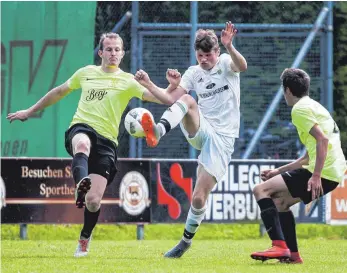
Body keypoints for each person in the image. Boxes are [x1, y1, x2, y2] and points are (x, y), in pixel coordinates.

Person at [6, 32, 176, 257]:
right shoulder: (86, 73)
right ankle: (80, 185)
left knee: (94, 201)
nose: (113, 53)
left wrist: (171, 84)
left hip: (107, 142)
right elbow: (58, 92)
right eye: (109, 49)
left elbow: (165, 99)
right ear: (100, 52)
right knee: (82, 145)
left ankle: (84, 239)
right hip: (82, 127)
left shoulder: (128, 81)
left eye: (117, 49)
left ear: (122, 53)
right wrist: (29, 111)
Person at [134, 22, 247, 258]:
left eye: (208, 55)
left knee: (198, 198)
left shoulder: (226, 62)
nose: (204, 59)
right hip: (201, 128)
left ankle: (185, 242)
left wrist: (230, 47)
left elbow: (242, 65)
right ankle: (158, 131)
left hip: (223, 140)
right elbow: (169, 98)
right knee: (186, 100)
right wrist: (149, 84)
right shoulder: (193, 72)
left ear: (217, 52)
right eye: (200, 55)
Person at [250, 68, 347, 264]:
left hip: (323, 172)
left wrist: (316, 175)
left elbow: (322, 141)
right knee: (281, 203)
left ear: (287, 90)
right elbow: (308, 156)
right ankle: (292, 256)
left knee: (260, 190)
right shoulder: (314, 106)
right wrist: (278, 171)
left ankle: (278, 245)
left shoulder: (299, 109)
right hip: (334, 173)